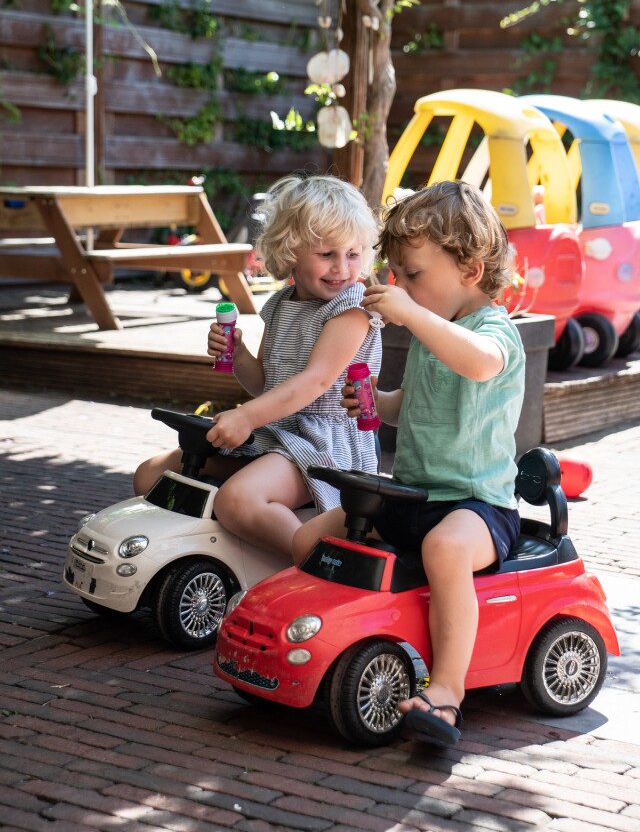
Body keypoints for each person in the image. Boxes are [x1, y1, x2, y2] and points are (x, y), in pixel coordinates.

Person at [291, 180, 525, 746]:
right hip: (413, 494)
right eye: (395, 274)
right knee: (309, 539)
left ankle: (446, 692)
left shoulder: (493, 332)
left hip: (477, 507)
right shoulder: (431, 333)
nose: (400, 286)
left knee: (445, 550)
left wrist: (414, 316)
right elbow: (413, 403)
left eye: (413, 274)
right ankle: (328, 640)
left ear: (471, 269)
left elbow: (478, 364)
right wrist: (377, 401)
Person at [133, 174, 382, 558]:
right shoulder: (281, 304)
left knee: (238, 499)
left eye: (352, 254)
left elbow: (315, 382)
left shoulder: (351, 308)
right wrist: (238, 353)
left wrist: (246, 417)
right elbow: (265, 382)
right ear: (290, 251)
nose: (342, 268)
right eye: (327, 254)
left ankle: (323, 564)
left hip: (324, 445)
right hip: (276, 433)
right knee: (151, 475)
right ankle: (222, 554)